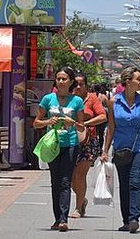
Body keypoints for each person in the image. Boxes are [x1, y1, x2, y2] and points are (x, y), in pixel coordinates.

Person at [101, 67, 140, 233]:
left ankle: (134, 218)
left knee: (135, 182)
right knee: (124, 184)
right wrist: (105, 151)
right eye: (138, 79)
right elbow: (111, 129)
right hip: (121, 149)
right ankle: (126, 220)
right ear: (128, 81)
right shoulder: (114, 102)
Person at [33, 66, 85, 232]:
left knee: (65, 181)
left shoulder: (77, 101)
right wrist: (48, 122)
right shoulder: (48, 99)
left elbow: (82, 127)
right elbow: (36, 122)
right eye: (58, 79)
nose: (61, 82)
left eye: (64, 79)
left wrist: (73, 123)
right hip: (52, 145)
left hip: (70, 144)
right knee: (55, 181)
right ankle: (57, 218)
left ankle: (63, 219)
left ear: (71, 82)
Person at [71, 72, 106, 219]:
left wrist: (85, 123)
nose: (78, 87)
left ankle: (78, 208)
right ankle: (82, 199)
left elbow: (102, 116)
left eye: (81, 84)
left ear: (86, 85)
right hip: (71, 140)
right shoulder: (69, 98)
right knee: (71, 178)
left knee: (80, 174)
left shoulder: (91, 99)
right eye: (76, 84)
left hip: (88, 141)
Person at [93, 83, 109, 151]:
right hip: (102, 117)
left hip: (94, 117)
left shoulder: (92, 96)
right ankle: (100, 148)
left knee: (94, 134)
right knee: (101, 134)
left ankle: (95, 147)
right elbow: (108, 105)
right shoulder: (103, 96)